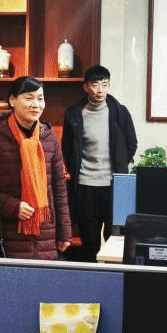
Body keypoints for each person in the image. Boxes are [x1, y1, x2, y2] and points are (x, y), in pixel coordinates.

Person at [0, 76, 72, 260]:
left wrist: (65, 231)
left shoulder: (49, 138)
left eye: (40, 99)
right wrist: (12, 206)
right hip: (9, 234)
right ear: (12, 100)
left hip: (46, 234)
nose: (36, 104)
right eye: (29, 98)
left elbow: (59, 188)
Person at [61, 65, 137, 262]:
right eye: (95, 85)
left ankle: (112, 276)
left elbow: (131, 144)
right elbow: (67, 148)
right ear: (86, 87)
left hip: (113, 185)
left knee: (115, 238)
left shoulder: (120, 112)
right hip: (85, 185)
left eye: (105, 84)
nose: (100, 90)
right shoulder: (74, 114)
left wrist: (120, 163)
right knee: (90, 241)